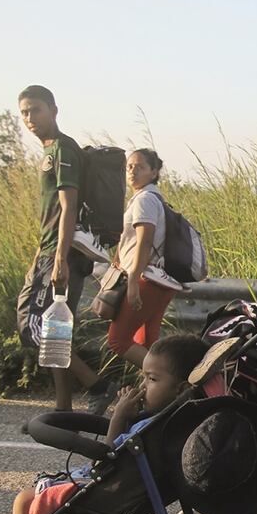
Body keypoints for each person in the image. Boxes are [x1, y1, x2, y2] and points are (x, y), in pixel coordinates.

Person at [5, 334, 204, 514]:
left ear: (180, 389)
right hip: (141, 493)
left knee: (25, 500)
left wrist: (120, 416)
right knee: (30, 499)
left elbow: (104, 461)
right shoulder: (175, 421)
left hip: (112, 496)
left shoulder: (152, 427)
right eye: (143, 377)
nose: (142, 387)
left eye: (151, 379)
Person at [15, 85, 117, 415]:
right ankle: (63, 410)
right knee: (56, 328)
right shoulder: (51, 151)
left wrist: (58, 260)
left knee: (36, 325)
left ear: (53, 110)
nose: (30, 118)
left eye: (35, 110)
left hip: (62, 255)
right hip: (51, 252)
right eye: (24, 113)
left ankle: (98, 386)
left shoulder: (63, 149)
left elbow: (68, 208)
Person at [106, 149, 183, 369]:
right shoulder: (151, 197)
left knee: (118, 340)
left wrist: (132, 281)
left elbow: (144, 242)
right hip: (159, 281)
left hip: (146, 280)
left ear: (154, 171)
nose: (132, 171)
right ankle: (157, 399)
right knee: (147, 343)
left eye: (140, 167)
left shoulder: (145, 200)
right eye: (129, 166)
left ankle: (173, 382)